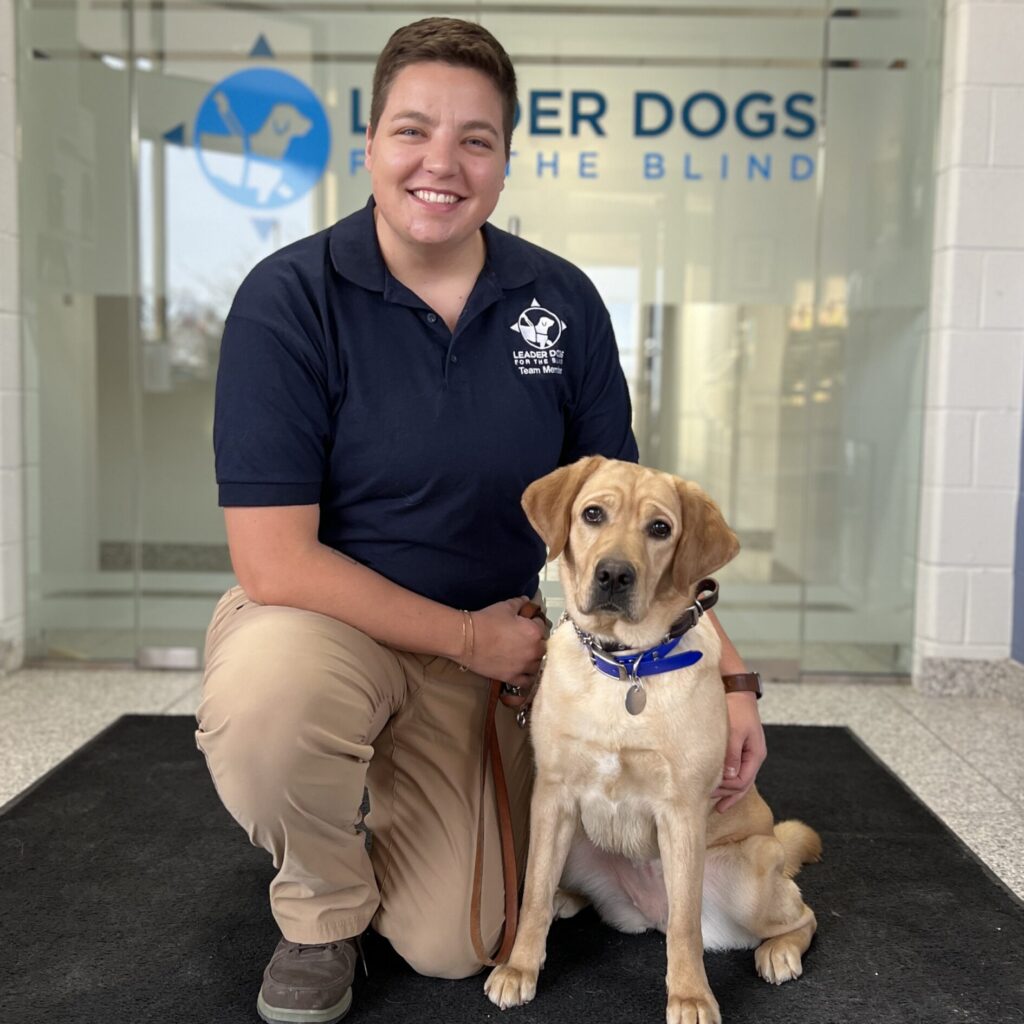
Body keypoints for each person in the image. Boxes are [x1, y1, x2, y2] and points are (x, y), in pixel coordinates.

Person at [196, 16, 766, 1024]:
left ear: (504, 160)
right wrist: (469, 637)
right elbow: (272, 558)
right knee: (271, 703)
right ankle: (320, 908)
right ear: (367, 142)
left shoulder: (558, 301)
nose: (441, 164)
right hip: (332, 624)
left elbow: (632, 519)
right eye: (412, 131)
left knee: (454, 947)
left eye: (476, 140)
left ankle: (381, 810)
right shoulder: (289, 300)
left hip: (500, 651)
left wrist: (727, 675)